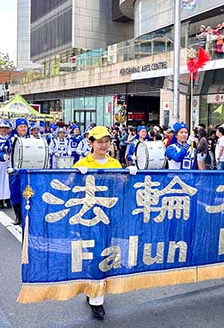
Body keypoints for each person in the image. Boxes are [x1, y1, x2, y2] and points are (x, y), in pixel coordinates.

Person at [72, 126, 125, 320]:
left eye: (106, 141)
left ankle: (96, 292)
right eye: (99, 141)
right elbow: (73, 188)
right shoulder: (82, 162)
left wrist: (129, 175)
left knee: (105, 251)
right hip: (88, 216)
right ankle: (95, 296)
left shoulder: (115, 163)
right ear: (91, 143)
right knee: (92, 253)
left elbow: (121, 187)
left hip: (109, 215)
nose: (104, 145)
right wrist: (78, 175)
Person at [0, 121, 12, 209]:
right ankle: (0, 200)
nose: (4, 130)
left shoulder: (10, 139)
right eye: (2, 128)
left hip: (8, 163)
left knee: (8, 182)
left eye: (6, 128)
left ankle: (8, 199)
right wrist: (2, 153)